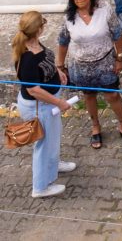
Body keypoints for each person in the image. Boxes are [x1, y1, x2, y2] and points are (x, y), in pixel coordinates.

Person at [57, 0, 122, 150]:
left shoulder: (104, 9)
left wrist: (120, 58)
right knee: (89, 96)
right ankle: (95, 127)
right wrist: (60, 65)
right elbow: (63, 42)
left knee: (113, 95)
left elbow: (117, 34)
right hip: (81, 66)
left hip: (106, 62)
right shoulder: (69, 17)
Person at [13, 10, 76, 198]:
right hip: (40, 108)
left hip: (48, 105)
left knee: (52, 137)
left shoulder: (34, 44)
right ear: (38, 29)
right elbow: (34, 90)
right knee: (42, 144)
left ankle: (54, 163)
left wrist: (58, 71)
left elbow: (46, 60)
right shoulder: (27, 58)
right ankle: (40, 187)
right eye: (43, 24)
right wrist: (59, 102)